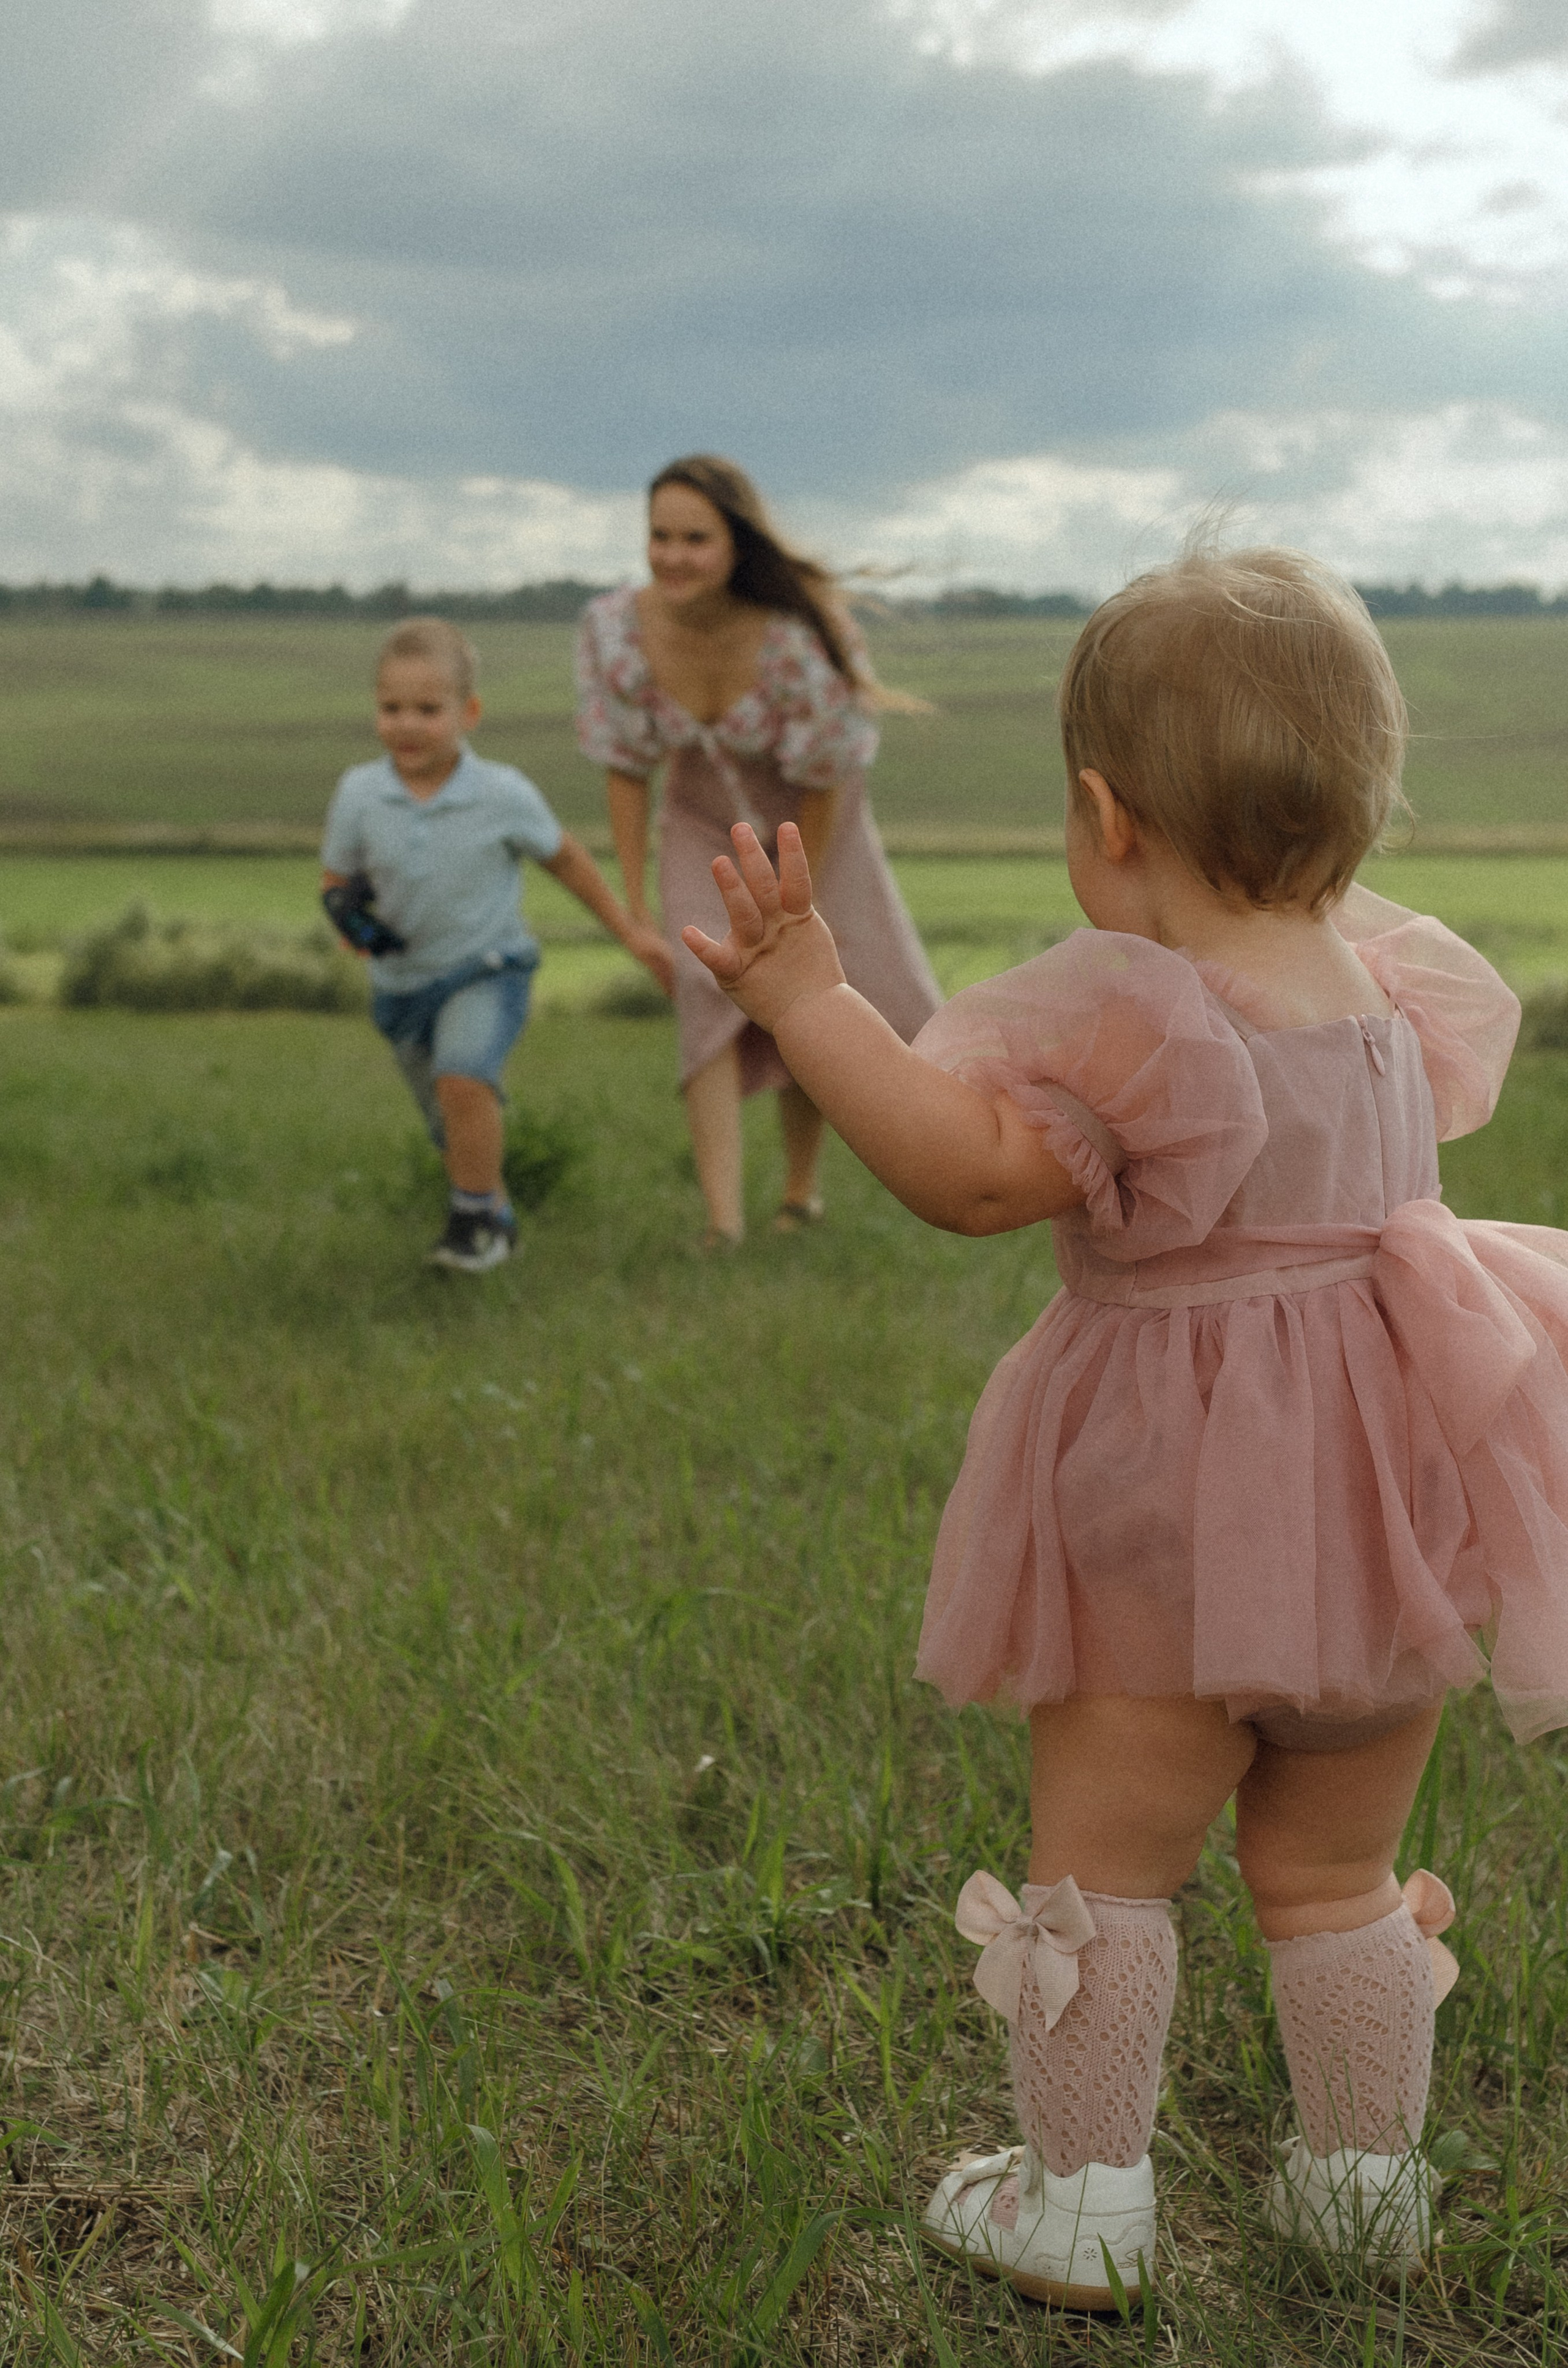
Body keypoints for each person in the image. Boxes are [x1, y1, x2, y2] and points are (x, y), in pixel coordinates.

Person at [682, 545, 1568, 2307]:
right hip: (1385, 1524)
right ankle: (1365, 2191)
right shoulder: (1395, 998)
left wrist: (808, 1003)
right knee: (1334, 1872)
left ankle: (1083, 2203)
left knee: (1110, 1867)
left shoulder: (1142, 1015)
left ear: (1104, 814)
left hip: (1169, 1525)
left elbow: (965, 1172)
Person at [575, 454, 940, 1246]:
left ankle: (800, 1193)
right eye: (659, 536)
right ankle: (722, 1224)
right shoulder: (613, 628)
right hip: (699, 818)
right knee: (706, 982)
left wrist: (789, 900)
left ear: (737, 543)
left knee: (810, 991)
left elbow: (828, 772)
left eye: (695, 538)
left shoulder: (798, 633)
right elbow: (627, 770)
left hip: (812, 823)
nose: (673, 556)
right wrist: (636, 904)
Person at [322, 616, 673, 1272]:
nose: (407, 724)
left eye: (428, 709)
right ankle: (495, 1217)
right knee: (451, 1121)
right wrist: (349, 917)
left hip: (487, 968)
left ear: (469, 712)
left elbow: (567, 862)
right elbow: (336, 880)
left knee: (464, 1076)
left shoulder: (503, 794)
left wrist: (632, 932)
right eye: (391, 708)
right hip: (400, 986)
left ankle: (471, 1226)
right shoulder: (359, 795)